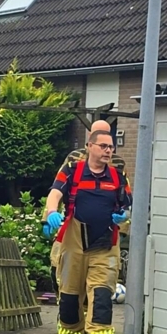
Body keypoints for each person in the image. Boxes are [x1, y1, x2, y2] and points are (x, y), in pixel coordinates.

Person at [43, 128, 132, 334]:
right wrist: (51, 212)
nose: (108, 151)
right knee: (70, 296)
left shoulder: (118, 175)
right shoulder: (72, 170)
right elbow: (55, 193)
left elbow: (128, 206)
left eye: (111, 147)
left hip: (105, 243)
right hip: (73, 241)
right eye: (103, 146)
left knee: (102, 295)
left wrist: (123, 216)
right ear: (90, 147)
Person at [49, 119, 128, 296]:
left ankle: (90, 315)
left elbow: (122, 197)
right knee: (60, 266)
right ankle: (66, 312)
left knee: (99, 284)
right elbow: (57, 189)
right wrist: (49, 216)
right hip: (73, 225)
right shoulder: (73, 161)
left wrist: (122, 228)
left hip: (105, 230)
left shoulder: (118, 164)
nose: (107, 149)